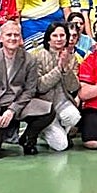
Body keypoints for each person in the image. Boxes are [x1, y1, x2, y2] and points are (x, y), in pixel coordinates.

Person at [0, 21, 54, 157]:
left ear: (21, 38)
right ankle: (0, 132)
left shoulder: (30, 60)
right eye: (8, 35)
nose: (13, 38)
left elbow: (30, 90)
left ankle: (28, 139)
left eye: (16, 35)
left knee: (48, 111)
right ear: (1, 37)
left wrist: (12, 110)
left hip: (18, 105)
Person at [33, 21, 82, 151]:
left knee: (74, 117)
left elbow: (73, 87)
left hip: (63, 101)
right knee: (61, 146)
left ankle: (60, 131)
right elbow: (40, 86)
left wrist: (66, 69)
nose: (59, 39)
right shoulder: (38, 56)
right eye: (55, 36)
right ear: (48, 39)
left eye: (62, 35)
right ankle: (43, 130)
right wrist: (59, 69)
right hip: (44, 105)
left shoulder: (72, 58)